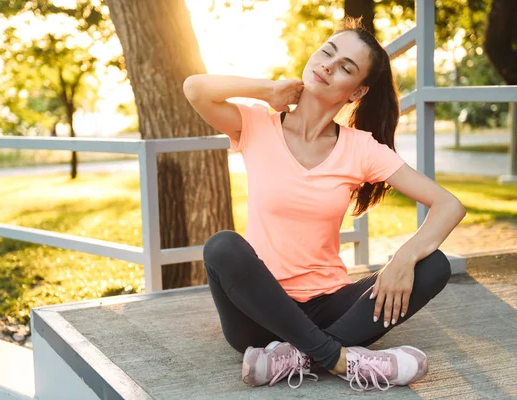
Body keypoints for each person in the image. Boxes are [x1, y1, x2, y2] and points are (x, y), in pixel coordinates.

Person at [183, 17, 466, 392]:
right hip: (258, 312)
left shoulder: (360, 148)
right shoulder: (256, 125)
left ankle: (291, 359)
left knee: (434, 266)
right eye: (327, 52)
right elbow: (195, 88)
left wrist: (404, 258)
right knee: (222, 246)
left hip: (329, 306)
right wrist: (268, 91)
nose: (329, 66)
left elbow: (449, 205)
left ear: (357, 92)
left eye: (346, 67)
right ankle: (343, 360)